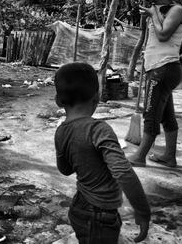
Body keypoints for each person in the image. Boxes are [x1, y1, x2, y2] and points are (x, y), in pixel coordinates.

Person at [54, 62, 150, 243]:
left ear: (58, 100)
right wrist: (143, 211)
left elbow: (65, 169)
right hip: (100, 215)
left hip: (80, 207)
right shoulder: (99, 129)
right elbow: (123, 172)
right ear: (96, 97)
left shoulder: (61, 131)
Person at [128, 0, 182, 168]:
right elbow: (152, 38)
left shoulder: (178, 10)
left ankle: (139, 157)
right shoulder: (161, 12)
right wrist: (150, 17)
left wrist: (153, 15)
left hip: (164, 68)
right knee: (167, 116)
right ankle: (169, 156)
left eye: (155, 1)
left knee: (151, 114)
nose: (153, 5)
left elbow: (163, 36)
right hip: (157, 68)